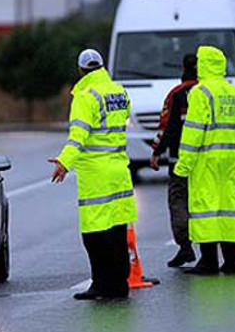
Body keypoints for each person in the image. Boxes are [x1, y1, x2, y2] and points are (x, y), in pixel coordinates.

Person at [49, 49, 138, 300]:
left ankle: (101, 284)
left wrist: (64, 162)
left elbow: (79, 136)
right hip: (119, 170)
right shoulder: (119, 91)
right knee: (118, 230)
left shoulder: (85, 96)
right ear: (101, 66)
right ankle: (120, 285)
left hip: (96, 174)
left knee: (94, 234)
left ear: (80, 71)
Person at [174, 46, 235, 275]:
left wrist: (183, 166)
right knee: (229, 209)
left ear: (204, 64)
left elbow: (193, 133)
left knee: (206, 209)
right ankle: (232, 262)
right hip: (232, 161)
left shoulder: (200, 92)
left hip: (206, 160)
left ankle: (208, 261)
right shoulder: (233, 92)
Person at [150, 53, 197, 268]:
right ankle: (211, 251)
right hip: (207, 161)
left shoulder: (176, 95)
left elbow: (167, 127)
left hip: (180, 160)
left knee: (178, 202)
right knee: (205, 204)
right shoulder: (210, 93)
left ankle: (185, 247)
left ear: (183, 70)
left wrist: (156, 152)